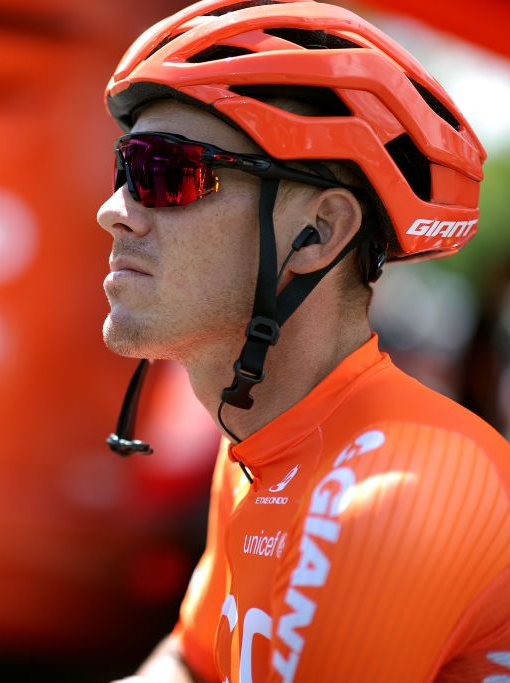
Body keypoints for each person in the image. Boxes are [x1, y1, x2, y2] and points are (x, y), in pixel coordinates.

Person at [95, 1, 510, 681]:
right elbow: (191, 663)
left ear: (319, 231)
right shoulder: (261, 443)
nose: (114, 210)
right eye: (123, 169)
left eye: (163, 172)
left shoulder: (388, 497)